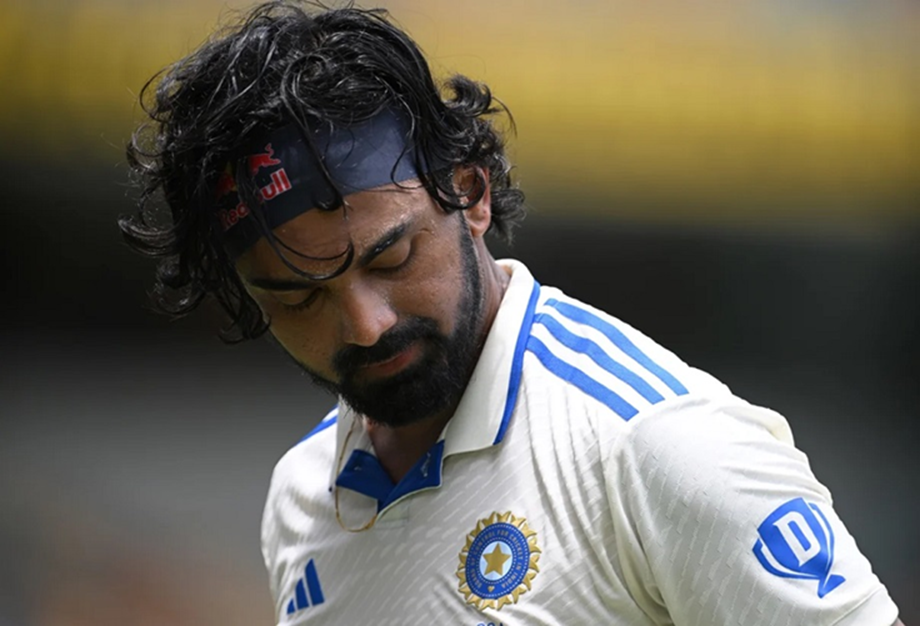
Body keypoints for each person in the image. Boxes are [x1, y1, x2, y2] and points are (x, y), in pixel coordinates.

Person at [120, 2, 903, 624]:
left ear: (469, 193)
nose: (365, 325)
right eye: (299, 298)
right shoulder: (299, 500)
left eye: (391, 258)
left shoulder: (660, 447)